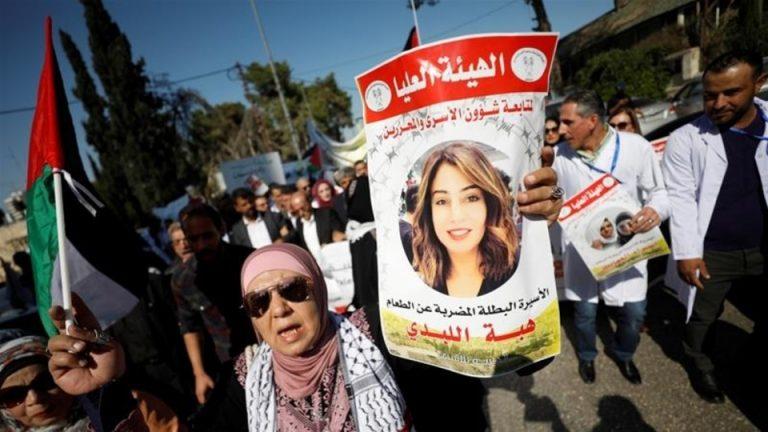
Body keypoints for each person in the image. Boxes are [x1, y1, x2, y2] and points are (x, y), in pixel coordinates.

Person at [196, 244, 408, 431]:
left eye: (292, 290)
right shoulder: (245, 377)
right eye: (259, 301)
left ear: (318, 288)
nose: (279, 309)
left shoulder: (374, 333)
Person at [662, 50, 767, 403]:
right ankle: (700, 362)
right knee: (703, 317)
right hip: (713, 252)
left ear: (759, 83)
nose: (718, 103)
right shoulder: (685, 139)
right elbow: (680, 198)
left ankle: (748, 363)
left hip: (762, 245)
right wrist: (689, 253)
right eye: (709, 95)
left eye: (731, 93)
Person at [555, 89, 669, 385]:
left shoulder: (635, 147)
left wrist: (655, 211)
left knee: (633, 314)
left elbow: (659, 193)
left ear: (592, 120)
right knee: (584, 313)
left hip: (625, 248)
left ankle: (624, 354)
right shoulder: (560, 155)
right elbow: (557, 195)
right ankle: (587, 356)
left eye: (568, 122)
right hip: (584, 251)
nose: (561, 129)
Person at [411, 142, 519, 298]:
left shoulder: (517, 270)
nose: (457, 216)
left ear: (488, 205)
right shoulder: (418, 286)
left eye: (471, 198)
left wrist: (557, 194)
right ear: (429, 212)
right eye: (442, 201)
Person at [175, 204, 257, 405]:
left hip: (267, 352)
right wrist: (199, 373)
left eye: (207, 236)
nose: (202, 245)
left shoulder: (249, 261)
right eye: (194, 239)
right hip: (227, 366)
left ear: (220, 229)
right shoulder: (183, 279)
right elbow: (189, 327)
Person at [290, 192, 346, 260]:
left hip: (335, 260)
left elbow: (339, 234)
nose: (301, 213)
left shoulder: (326, 214)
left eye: (303, 208)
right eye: (296, 212)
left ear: (309, 202)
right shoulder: (299, 223)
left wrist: (330, 245)